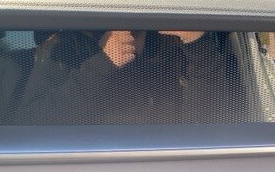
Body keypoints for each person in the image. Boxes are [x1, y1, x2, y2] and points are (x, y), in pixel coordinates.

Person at [14, 29, 247, 125]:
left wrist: (197, 44)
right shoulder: (66, 50)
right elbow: (30, 122)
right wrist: (102, 64)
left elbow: (208, 122)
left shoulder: (176, 46)